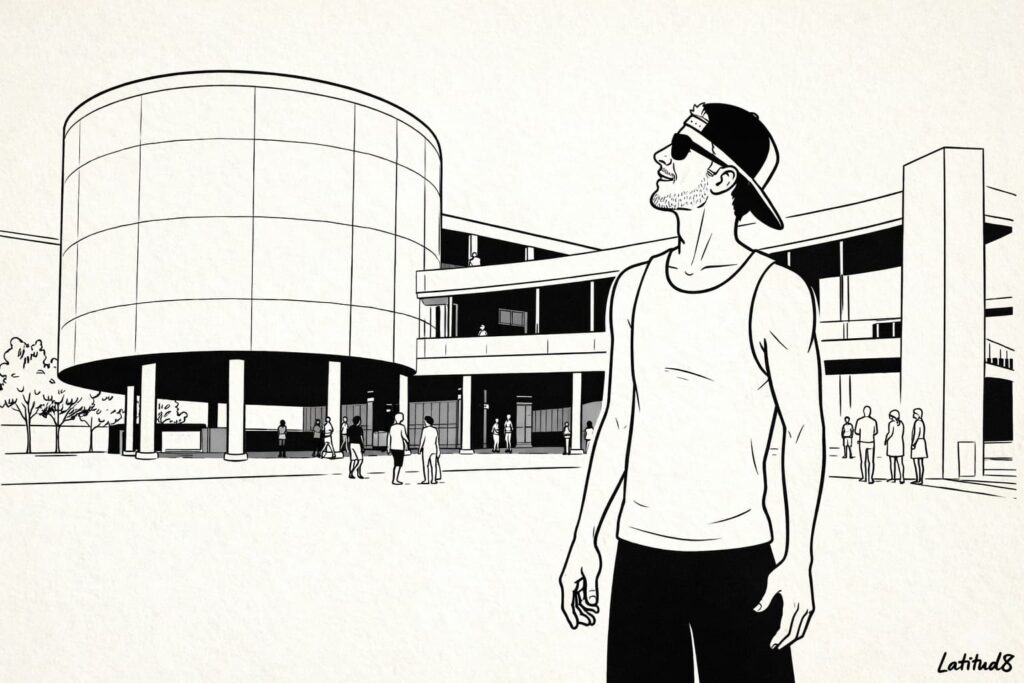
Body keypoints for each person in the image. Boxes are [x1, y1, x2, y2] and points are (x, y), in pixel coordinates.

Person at [559, 103, 822, 682]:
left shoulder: (776, 292)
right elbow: (618, 422)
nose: (661, 157)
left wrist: (798, 558)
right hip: (642, 561)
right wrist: (586, 540)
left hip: (740, 561)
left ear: (723, 178)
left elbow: (804, 432)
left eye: (680, 150)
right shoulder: (633, 288)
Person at [854, 406, 877, 484]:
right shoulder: (873, 421)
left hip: (862, 442)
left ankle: (864, 477)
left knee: (863, 461)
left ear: (864, 412)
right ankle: (870, 478)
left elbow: (856, 432)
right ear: (870, 412)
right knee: (871, 461)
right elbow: (875, 432)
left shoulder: (859, 421)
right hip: (871, 442)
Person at [387, 412, 409, 485]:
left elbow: (389, 437)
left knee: (396, 463)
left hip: (393, 447)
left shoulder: (392, 427)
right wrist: (408, 440)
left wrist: (388, 447)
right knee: (398, 464)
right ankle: (395, 479)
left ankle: (395, 479)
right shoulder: (402, 427)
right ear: (401, 418)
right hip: (399, 447)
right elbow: (404, 436)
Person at [884, 410, 905, 484]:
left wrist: (885, 439)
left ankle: (893, 478)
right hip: (900, 444)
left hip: (892, 444)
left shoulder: (891, 423)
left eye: (890, 415)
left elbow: (890, 433)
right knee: (900, 462)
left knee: (892, 462)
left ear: (893, 416)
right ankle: (902, 478)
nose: (889, 417)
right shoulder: (901, 423)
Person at [419, 416, 441, 484]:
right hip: (433, 449)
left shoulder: (424, 430)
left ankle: (426, 480)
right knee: (433, 465)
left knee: (426, 465)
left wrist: (420, 448)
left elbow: (422, 440)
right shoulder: (435, 430)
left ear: (426, 422)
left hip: (426, 449)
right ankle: (434, 480)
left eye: (424, 421)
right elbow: (436, 441)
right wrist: (438, 450)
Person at [910, 408, 928, 484]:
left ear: (917, 414)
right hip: (922, 442)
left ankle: (918, 479)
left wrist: (913, 444)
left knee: (916, 462)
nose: (913, 414)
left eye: (914, 413)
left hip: (917, 443)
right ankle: (920, 479)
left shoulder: (917, 422)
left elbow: (916, 434)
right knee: (920, 462)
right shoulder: (921, 422)